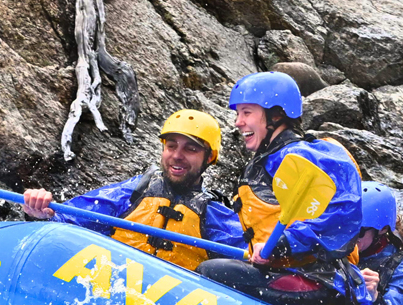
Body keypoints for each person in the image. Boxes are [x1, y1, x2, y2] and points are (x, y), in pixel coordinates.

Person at [195, 71, 369, 305]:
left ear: (276, 115)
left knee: (213, 273)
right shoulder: (267, 159)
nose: (238, 122)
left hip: (318, 281)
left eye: (246, 113)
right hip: (285, 274)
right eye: (238, 114)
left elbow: (342, 214)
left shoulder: (301, 155)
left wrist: (282, 245)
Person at [21, 110, 243, 270]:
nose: (177, 155)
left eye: (191, 149)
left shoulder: (214, 215)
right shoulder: (132, 193)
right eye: (171, 146)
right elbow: (66, 219)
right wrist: (41, 211)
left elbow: (254, 254)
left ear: (209, 158)